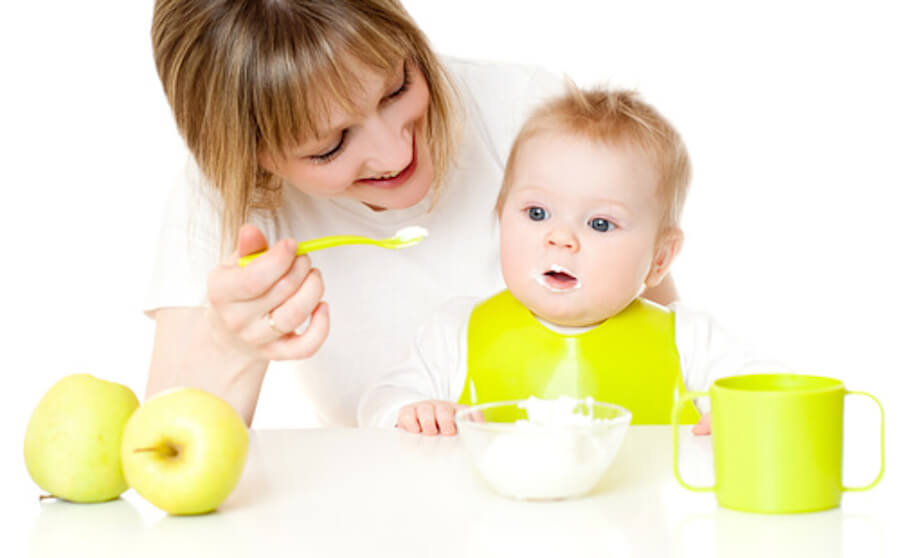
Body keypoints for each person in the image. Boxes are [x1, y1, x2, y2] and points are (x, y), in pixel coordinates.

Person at [144, 0, 678, 427]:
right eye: (329, 147)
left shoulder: (529, 116)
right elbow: (163, 458)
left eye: (397, 87)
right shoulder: (229, 198)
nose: (397, 154)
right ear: (249, 157)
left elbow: (662, 342)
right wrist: (230, 344)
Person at [358, 85, 781, 435]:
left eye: (599, 223)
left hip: (641, 530)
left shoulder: (688, 341)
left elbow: (770, 391)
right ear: (500, 218)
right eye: (537, 214)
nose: (561, 239)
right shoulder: (456, 332)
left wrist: (739, 414)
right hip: (493, 532)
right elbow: (379, 404)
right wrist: (411, 412)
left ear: (660, 257)